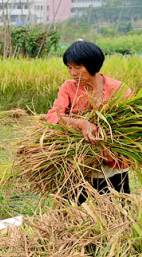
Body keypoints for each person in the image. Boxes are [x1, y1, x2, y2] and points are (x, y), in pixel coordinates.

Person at [46, 40, 132, 203]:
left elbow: (131, 126)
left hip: (112, 165)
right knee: (73, 212)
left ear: (93, 65)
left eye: (78, 68)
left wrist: (107, 144)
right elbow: (53, 117)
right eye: (69, 67)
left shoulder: (118, 89)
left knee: (116, 212)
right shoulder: (68, 87)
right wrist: (81, 123)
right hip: (78, 165)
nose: (72, 73)